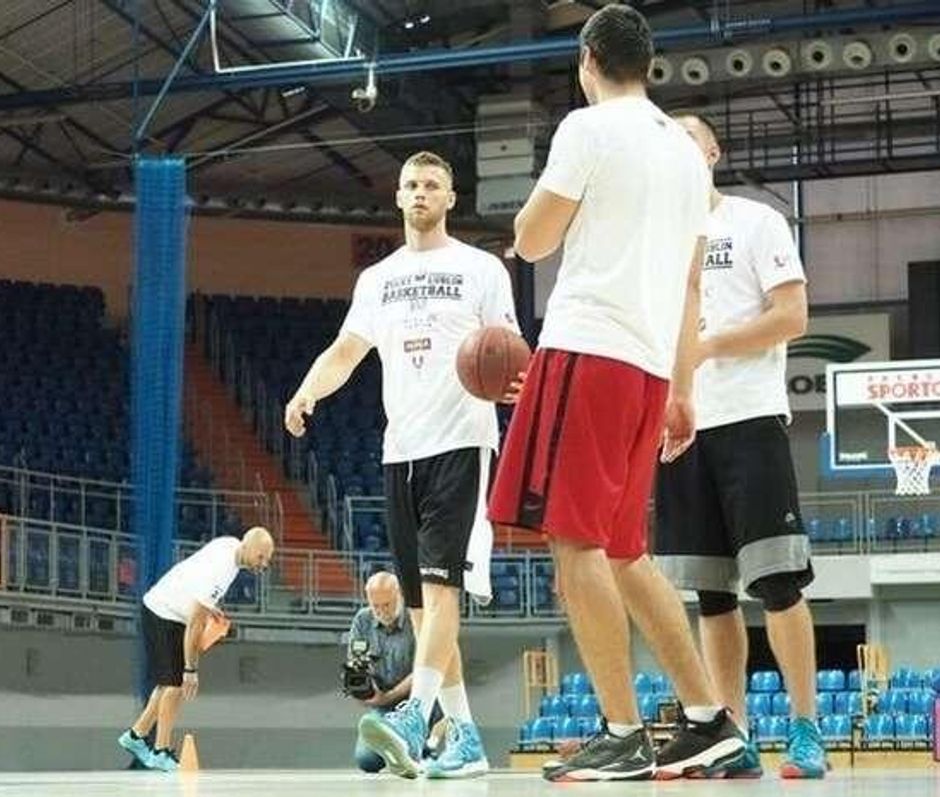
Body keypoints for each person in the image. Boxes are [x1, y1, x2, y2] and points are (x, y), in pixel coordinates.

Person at [487, 4, 745, 782]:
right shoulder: (685, 153)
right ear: (651, 62)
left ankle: (623, 730)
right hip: (648, 368)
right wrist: (684, 387)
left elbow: (533, 240)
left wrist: (529, 222)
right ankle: (709, 719)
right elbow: (695, 285)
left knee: (575, 544)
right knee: (628, 551)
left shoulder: (588, 128)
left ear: (587, 60)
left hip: (589, 348)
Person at [285, 150, 520, 779]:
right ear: (397, 196)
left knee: (444, 593)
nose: (420, 192)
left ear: (450, 197)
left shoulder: (480, 268)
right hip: (401, 449)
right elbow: (346, 349)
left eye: (432, 185)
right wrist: (308, 389)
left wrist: (514, 382)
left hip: (460, 442)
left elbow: (508, 352)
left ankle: (417, 715)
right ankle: (466, 735)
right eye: (411, 184)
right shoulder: (377, 279)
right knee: (420, 605)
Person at [654, 112, 824, 780]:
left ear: (713, 151)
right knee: (712, 598)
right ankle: (734, 733)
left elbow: (793, 315)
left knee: (778, 585)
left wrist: (708, 346)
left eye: (686, 141)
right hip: (679, 430)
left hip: (750, 420)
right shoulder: (654, 243)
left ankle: (805, 729)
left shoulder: (757, 222)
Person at [118, 527, 274, 772]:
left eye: (267, 560)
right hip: (163, 612)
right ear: (248, 546)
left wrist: (209, 606)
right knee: (176, 684)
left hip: (167, 609)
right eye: (261, 556)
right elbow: (195, 624)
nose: (263, 564)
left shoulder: (230, 546)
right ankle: (160, 750)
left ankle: (136, 736)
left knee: (167, 683)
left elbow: (195, 577)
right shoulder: (223, 570)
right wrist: (191, 669)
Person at [346, 572, 416, 772]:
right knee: (366, 761)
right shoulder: (362, 620)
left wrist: (390, 696)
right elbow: (356, 664)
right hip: (382, 706)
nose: (381, 611)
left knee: (420, 756)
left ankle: (413, 742)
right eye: (376, 606)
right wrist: (365, 689)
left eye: (387, 604)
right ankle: (394, 739)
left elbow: (424, 669)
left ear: (400, 596)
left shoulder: (416, 617)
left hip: (418, 704)